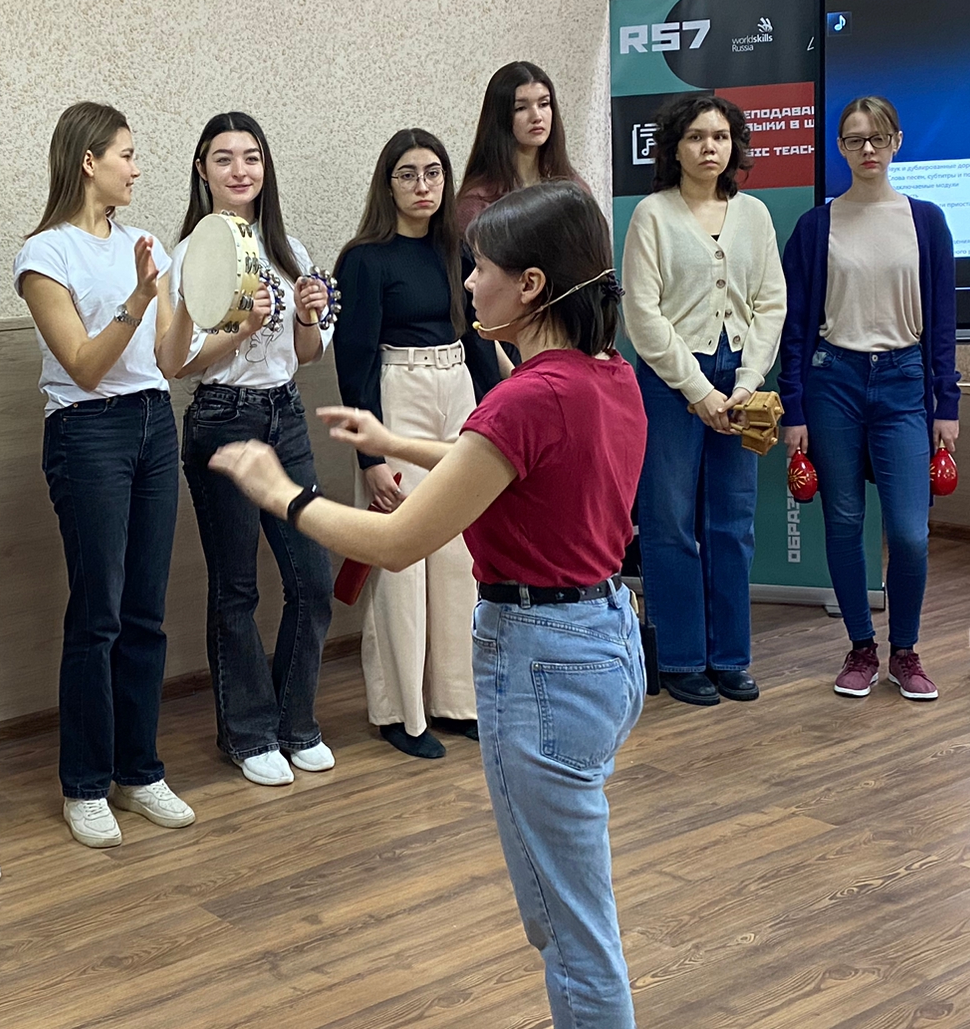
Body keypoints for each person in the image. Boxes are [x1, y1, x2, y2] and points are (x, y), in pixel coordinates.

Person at [211, 181, 647, 1028]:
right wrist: (393, 440)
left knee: (572, 934)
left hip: (546, 665)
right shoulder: (605, 375)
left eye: (479, 268)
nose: (467, 283)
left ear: (530, 286)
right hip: (603, 646)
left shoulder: (527, 396)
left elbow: (397, 541)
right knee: (571, 915)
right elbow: (498, 460)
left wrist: (282, 493)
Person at [14, 101, 198, 847]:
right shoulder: (44, 254)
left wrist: (193, 306)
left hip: (154, 420)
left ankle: (139, 771)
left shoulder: (145, 245)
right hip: (87, 431)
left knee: (146, 611)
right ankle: (85, 785)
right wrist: (139, 297)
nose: (137, 168)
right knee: (100, 614)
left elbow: (168, 362)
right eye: (126, 154)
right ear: (88, 161)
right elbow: (85, 368)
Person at [171, 112, 337, 786]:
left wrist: (306, 316)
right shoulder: (190, 252)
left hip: (285, 415)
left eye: (252, 158)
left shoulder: (287, 246)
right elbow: (180, 363)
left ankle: (296, 723)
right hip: (223, 416)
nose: (240, 170)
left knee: (312, 580)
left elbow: (307, 352)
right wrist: (243, 327)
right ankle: (248, 733)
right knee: (236, 588)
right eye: (224, 158)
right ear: (202, 171)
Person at [780, 96, 960, 701]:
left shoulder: (926, 221)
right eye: (855, 139)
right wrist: (794, 408)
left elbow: (943, 322)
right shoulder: (816, 227)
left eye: (878, 137)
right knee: (844, 521)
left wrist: (947, 403)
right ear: (840, 147)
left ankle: (905, 651)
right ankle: (861, 647)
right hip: (833, 380)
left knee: (909, 532)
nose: (868, 149)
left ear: (897, 142)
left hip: (906, 382)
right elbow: (795, 328)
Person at [332, 128, 501, 758]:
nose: (423, 186)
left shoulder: (460, 249)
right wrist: (370, 458)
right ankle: (401, 714)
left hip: (458, 393)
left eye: (433, 173)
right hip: (396, 396)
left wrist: (500, 419)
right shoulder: (364, 258)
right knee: (399, 558)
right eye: (408, 174)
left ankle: (456, 701)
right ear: (388, 184)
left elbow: (479, 340)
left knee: (459, 554)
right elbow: (354, 365)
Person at [622, 94, 786, 705]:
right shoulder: (651, 215)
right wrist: (698, 390)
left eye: (719, 136)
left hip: (739, 378)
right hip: (671, 382)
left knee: (732, 523)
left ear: (734, 145)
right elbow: (643, 315)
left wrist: (745, 383)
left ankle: (730, 658)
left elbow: (770, 302)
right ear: (674, 147)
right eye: (695, 137)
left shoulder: (756, 216)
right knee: (669, 522)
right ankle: (682, 657)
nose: (709, 147)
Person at [454, 60, 583, 234]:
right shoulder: (477, 203)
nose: (536, 116)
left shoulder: (573, 188)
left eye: (544, 104)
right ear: (500, 117)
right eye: (521, 108)